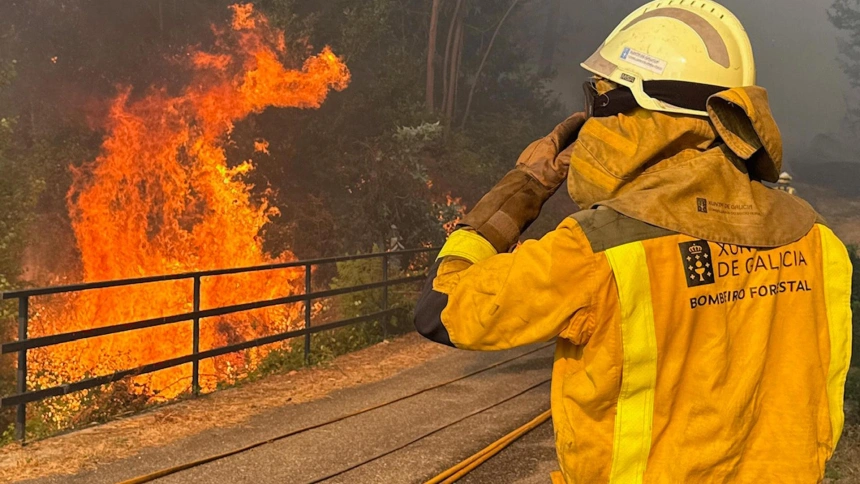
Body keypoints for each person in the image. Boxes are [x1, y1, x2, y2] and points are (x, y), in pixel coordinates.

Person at [414, 1, 853, 483]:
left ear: (638, 113)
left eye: (599, 100)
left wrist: (524, 189)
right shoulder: (817, 241)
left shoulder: (596, 251)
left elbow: (442, 309)